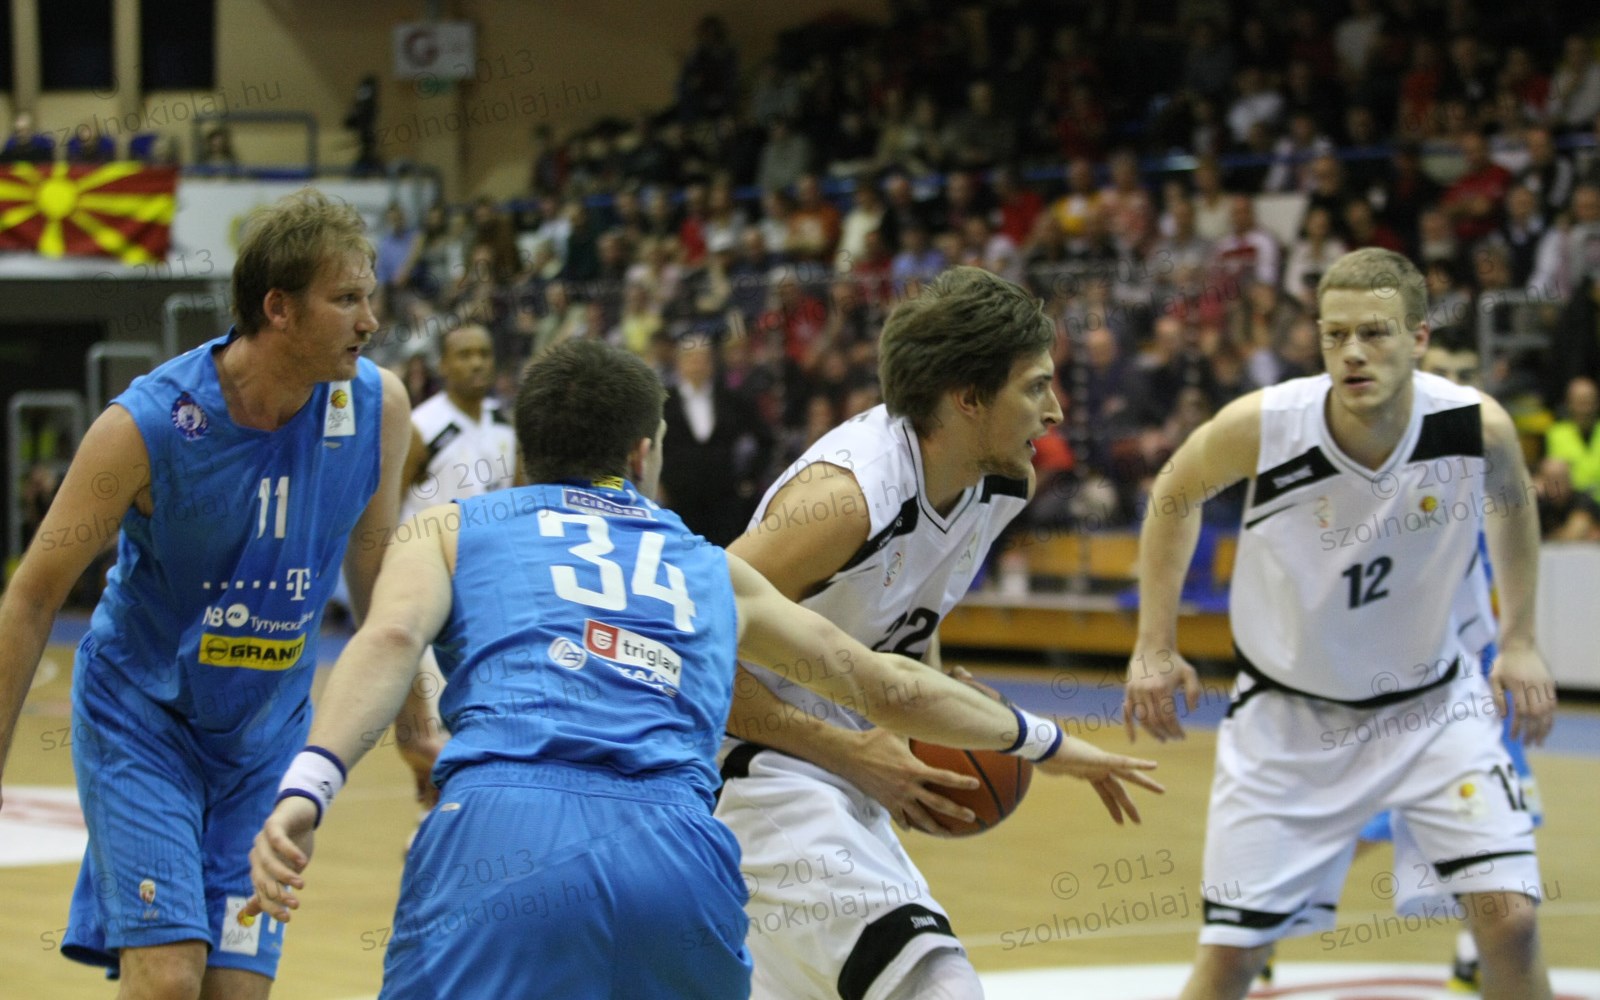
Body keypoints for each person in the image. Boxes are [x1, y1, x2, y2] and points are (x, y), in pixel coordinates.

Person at [243, 338, 1163, 999]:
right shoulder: (703, 562)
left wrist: (308, 788)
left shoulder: (449, 527)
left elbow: (386, 643)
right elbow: (883, 684)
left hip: (503, 834)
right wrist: (1044, 741)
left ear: (522, 450)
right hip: (679, 853)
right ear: (644, 453)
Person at [0, 189, 428, 998]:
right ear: (279, 309)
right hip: (143, 720)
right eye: (346, 299)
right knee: (169, 979)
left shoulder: (377, 408)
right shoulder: (149, 425)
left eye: (369, 297)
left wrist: (416, 720)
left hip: (266, 739)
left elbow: (375, 571)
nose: (371, 321)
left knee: (235, 990)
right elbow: (33, 594)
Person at [714, 266, 1166, 1000]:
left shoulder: (1001, 482)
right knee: (936, 981)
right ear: (967, 398)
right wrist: (846, 749)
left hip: (839, 766)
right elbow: (685, 653)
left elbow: (908, 611)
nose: (1055, 412)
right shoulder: (845, 500)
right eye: (1036, 387)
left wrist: (936, 694)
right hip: (746, 769)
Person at [1124, 248, 1558, 1000]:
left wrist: (1518, 640)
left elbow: (1513, 508)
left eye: (1375, 333)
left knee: (1511, 924)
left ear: (1419, 338)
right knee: (1231, 960)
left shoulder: (1473, 426)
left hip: (1434, 708)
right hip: (1290, 722)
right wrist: (1153, 646)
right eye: (1335, 335)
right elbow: (1173, 494)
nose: (1352, 352)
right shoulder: (1266, 425)